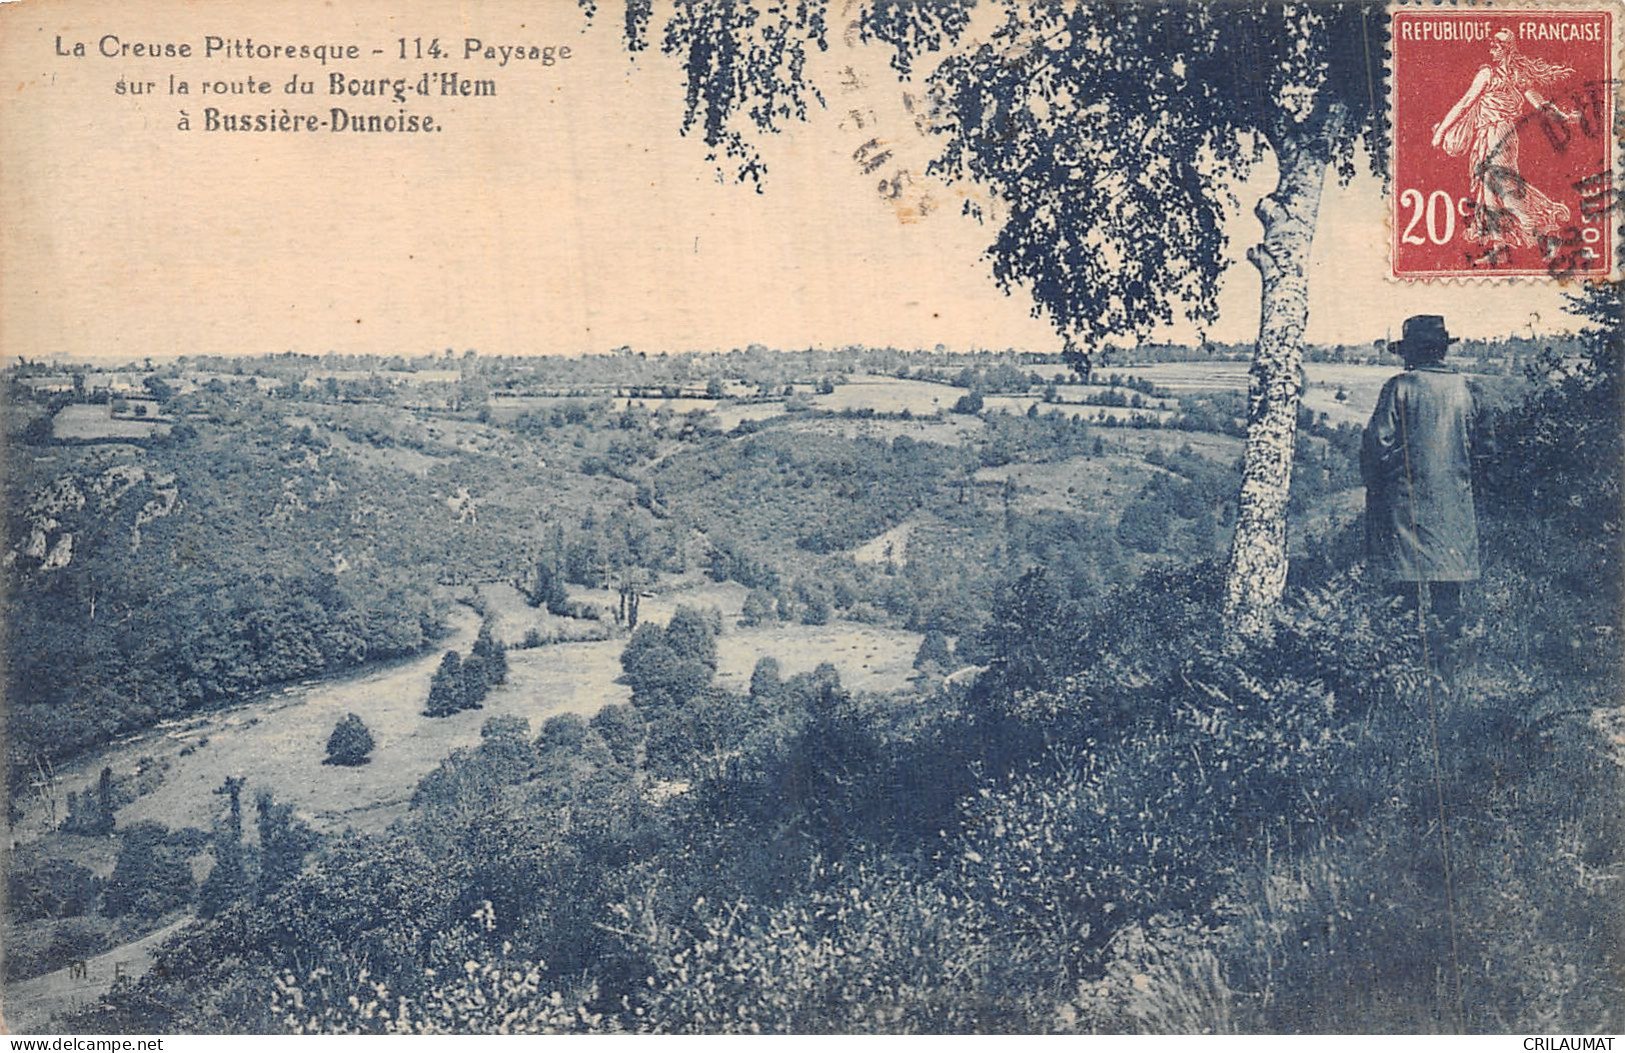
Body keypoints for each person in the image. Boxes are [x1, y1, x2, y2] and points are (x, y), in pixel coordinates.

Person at [1362, 315, 1484, 663]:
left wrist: (1379, 484)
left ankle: (1404, 671)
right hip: (1454, 511)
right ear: (1442, 350)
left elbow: (1377, 444)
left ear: (1411, 352)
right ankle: (1448, 671)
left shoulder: (1399, 387)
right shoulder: (1469, 390)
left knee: (1404, 594)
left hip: (1406, 511)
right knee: (1448, 596)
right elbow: (1484, 450)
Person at [1431, 28, 1578, 250]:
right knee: (1489, 188)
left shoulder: (1488, 74)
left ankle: (1538, 229)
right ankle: (1499, 243)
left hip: (1495, 134)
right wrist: (1564, 116)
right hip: (1501, 135)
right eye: (1491, 45)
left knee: (1501, 186)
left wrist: (1442, 132)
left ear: (1506, 49)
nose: (1491, 48)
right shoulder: (1516, 76)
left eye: (1496, 45)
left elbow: (1465, 103)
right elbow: (1542, 105)